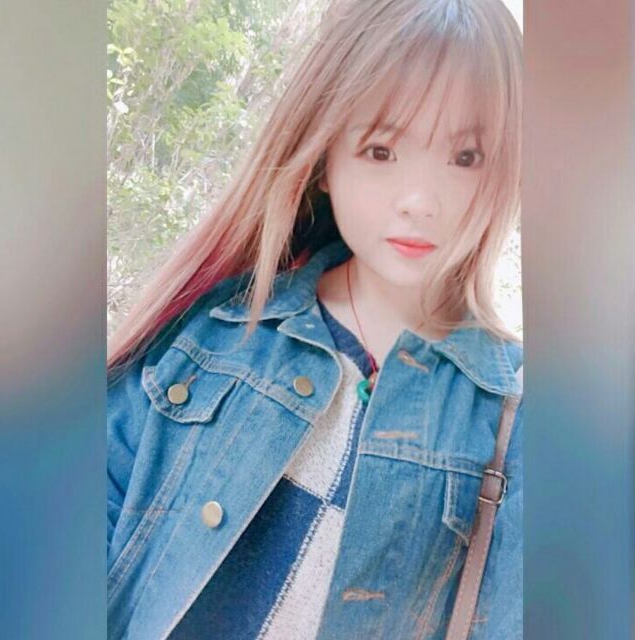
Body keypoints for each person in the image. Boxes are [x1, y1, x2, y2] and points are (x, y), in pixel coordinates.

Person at [107, 0, 523, 638]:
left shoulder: (518, 419)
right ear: (325, 158)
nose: (420, 201)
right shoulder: (216, 334)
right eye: (381, 150)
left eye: (466, 157)